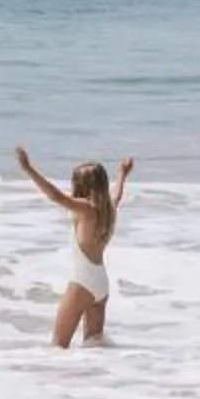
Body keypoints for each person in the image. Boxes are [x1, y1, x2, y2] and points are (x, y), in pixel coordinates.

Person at [14, 146, 134, 349]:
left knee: (58, 347)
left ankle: (59, 380)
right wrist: (122, 174)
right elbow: (117, 194)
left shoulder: (86, 209)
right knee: (94, 346)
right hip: (101, 284)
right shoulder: (109, 209)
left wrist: (28, 169)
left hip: (82, 282)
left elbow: (57, 197)